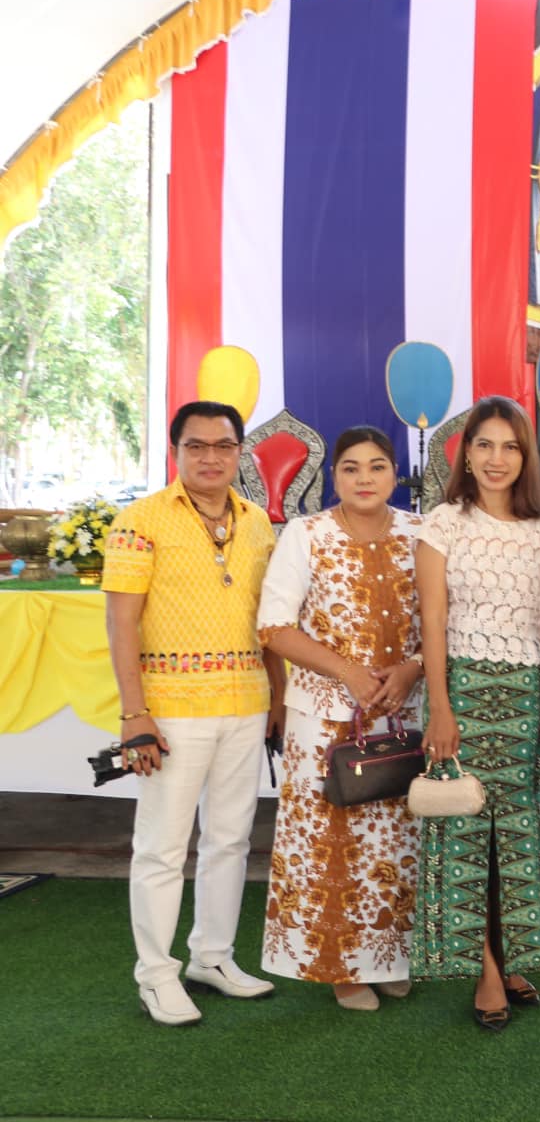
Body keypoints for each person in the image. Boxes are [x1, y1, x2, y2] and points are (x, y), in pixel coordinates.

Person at [104, 400, 283, 1026]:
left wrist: (277, 699)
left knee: (231, 839)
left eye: (224, 445)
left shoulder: (259, 522)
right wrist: (134, 717)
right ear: (175, 450)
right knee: (161, 846)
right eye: (197, 446)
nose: (211, 457)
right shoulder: (139, 521)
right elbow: (120, 622)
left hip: (246, 704)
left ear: (240, 451)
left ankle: (212, 955)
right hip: (169, 711)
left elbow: (271, 621)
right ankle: (155, 975)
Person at [414, 395, 540, 1031]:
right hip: (464, 691)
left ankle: (509, 957)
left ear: (525, 456)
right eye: (484, 445)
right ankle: (483, 968)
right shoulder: (443, 523)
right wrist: (441, 706)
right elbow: (430, 620)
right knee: (464, 829)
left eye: (510, 446)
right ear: (466, 453)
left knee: (516, 833)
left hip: (530, 694)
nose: (496, 458)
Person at [258, 426, 426, 1010]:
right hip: (324, 717)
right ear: (334, 476)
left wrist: (412, 668)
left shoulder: (418, 532)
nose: (364, 478)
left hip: (398, 713)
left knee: (394, 839)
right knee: (331, 843)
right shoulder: (306, 535)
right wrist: (348, 673)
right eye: (350, 467)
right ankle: (339, 966)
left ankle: (388, 957)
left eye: (377, 466)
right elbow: (274, 628)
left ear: (394, 474)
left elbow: (441, 623)